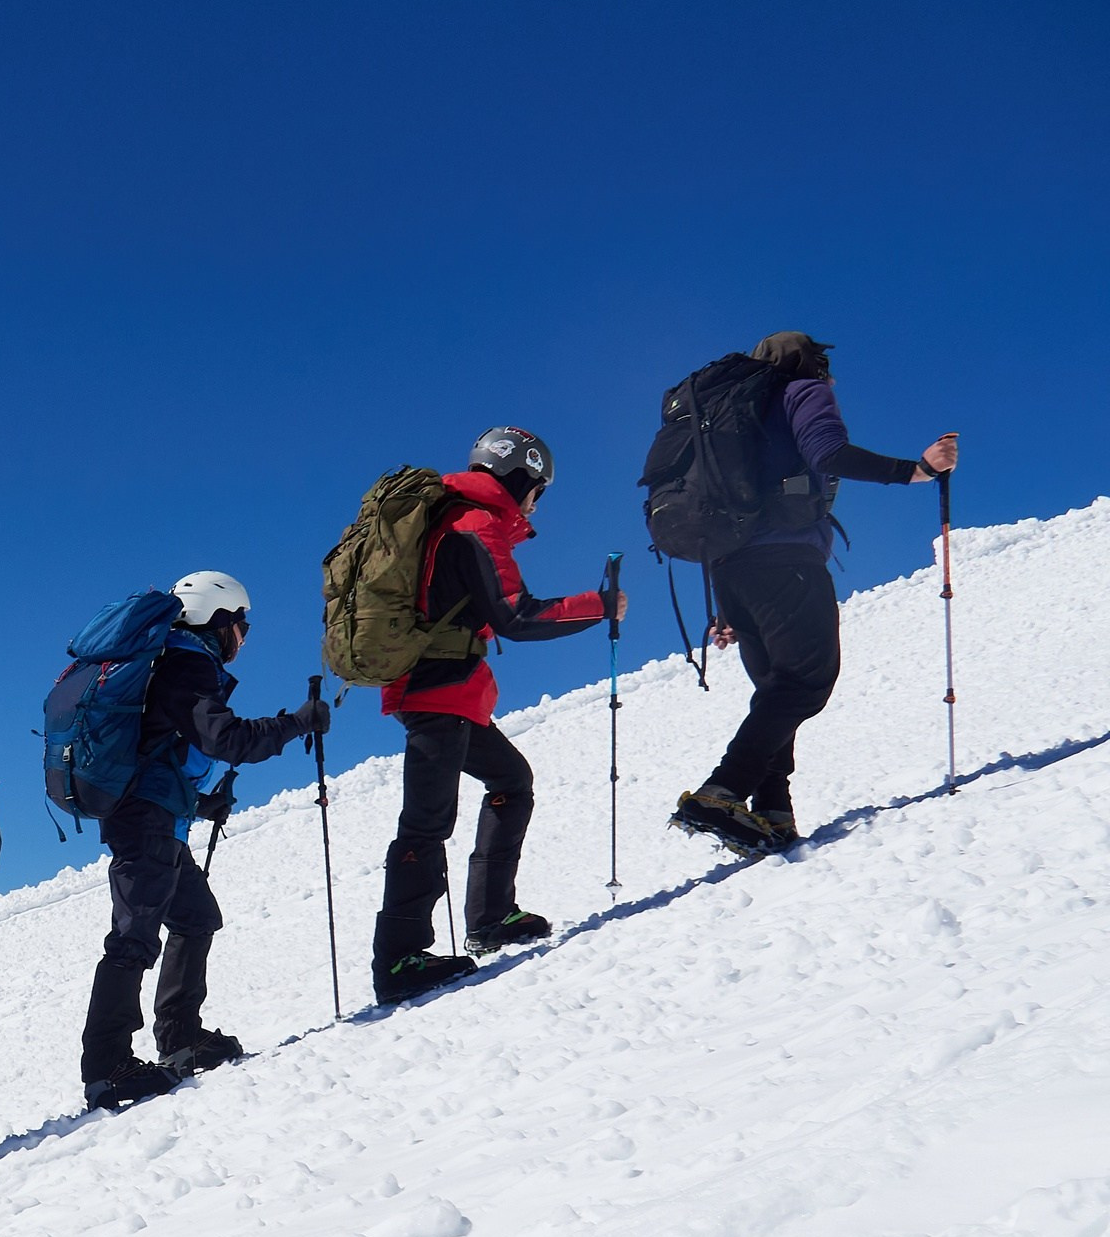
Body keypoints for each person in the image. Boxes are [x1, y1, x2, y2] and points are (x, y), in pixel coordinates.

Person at [673, 332, 960, 853]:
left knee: (778, 690)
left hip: (730, 569)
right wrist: (915, 471)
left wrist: (725, 609)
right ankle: (721, 792)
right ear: (812, 364)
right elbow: (828, 453)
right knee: (806, 683)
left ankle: (773, 813)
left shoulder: (721, 412)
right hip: (784, 561)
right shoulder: (801, 391)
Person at [369, 427, 624, 1005]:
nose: (537, 502)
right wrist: (600, 605)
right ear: (523, 477)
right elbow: (513, 614)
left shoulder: (452, 518)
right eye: (539, 488)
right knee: (426, 824)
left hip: (442, 690)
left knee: (511, 780)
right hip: (438, 690)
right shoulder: (475, 523)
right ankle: (400, 960)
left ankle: (490, 917)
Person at [78, 572, 328, 1111]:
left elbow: (162, 749)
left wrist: (201, 802)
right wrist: (298, 723)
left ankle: (181, 1038)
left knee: (195, 918)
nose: (244, 635)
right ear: (217, 620)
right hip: (146, 821)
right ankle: (107, 1070)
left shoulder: (173, 663)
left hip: (156, 815)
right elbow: (227, 738)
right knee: (133, 939)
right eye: (242, 624)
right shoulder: (184, 664)